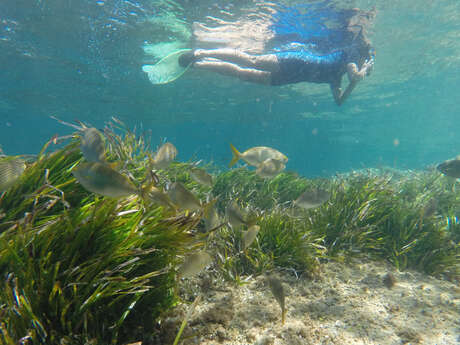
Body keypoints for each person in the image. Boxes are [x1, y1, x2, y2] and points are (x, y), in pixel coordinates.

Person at [179, 4, 376, 106]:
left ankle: (198, 64)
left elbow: (339, 101)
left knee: (243, 73)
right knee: (251, 61)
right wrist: (366, 69)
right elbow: (356, 75)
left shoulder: (337, 77)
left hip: (290, 77)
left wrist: (356, 79)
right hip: (295, 62)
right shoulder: (352, 52)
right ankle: (200, 53)